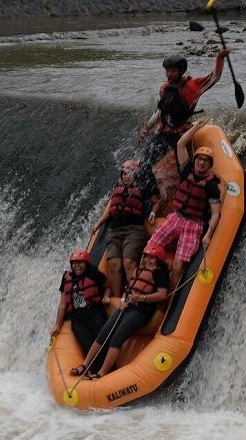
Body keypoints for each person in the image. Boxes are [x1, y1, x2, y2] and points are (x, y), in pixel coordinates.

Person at [70, 244, 169, 379]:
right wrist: (123, 300)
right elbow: (129, 288)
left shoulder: (160, 273)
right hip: (127, 306)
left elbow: (162, 294)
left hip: (142, 310)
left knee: (117, 337)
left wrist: (142, 298)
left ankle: (102, 372)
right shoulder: (139, 270)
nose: (147, 260)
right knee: (104, 333)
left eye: (151, 258)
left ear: (158, 259)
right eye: (146, 257)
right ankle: (85, 365)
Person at [137, 50, 230, 191]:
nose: (169, 74)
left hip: (181, 137)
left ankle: (189, 195)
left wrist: (220, 57)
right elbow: (160, 111)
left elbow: (214, 77)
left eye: (173, 71)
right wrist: (147, 127)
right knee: (145, 165)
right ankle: (150, 194)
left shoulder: (192, 86)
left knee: (185, 171)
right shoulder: (164, 88)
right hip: (162, 135)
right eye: (167, 71)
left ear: (181, 71)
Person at [146, 120, 221, 290]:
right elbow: (180, 144)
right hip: (176, 217)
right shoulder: (186, 169)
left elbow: (215, 214)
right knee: (150, 249)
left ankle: (169, 298)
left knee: (178, 266)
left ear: (209, 165)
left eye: (205, 161)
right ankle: (146, 285)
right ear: (195, 161)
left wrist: (208, 234)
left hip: (194, 225)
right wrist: (196, 127)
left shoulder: (211, 186)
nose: (201, 163)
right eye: (199, 159)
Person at [91, 160, 160, 298]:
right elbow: (109, 210)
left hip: (134, 229)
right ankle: (117, 299)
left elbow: (156, 201)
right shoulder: (117, 187)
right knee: (114, 264)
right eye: (124, 174)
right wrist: (98, 223)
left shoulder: (142, 187)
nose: (126, 176)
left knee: (128, 262)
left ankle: (133, 294)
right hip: (115, 230)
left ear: (135, 175)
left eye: (129, 174)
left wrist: (153, 213)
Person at [51, 250, 109, 361]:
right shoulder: (67, 278)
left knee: (101, 338)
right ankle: (93, 368)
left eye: (80, 263)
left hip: (94, 311)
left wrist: (106, 296)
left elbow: (108, 287)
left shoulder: (94, 274)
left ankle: (107, 368)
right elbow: (63, 304)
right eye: (74, 263)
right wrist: (57, 325)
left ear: (86, 263)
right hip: (77, 315)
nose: (77, 266)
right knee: (85, 342)